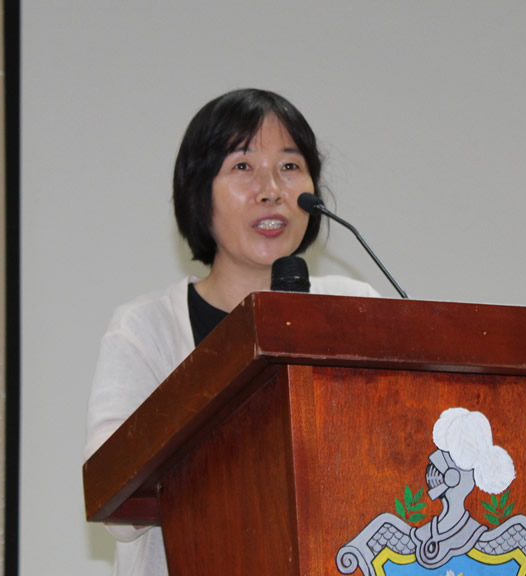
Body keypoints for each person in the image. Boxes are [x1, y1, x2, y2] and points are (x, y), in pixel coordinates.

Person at [85, 88, 380, 576]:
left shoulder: (354, 308)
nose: (272, 190)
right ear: (200, 192)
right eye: (243, 167)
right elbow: (115, 500)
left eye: (289, 167)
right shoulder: (145, 330)